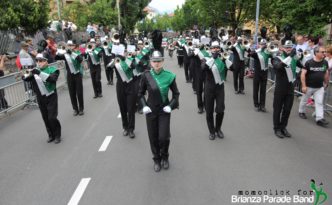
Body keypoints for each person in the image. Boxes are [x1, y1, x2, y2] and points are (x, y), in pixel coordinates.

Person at [138, 50, 180, 172]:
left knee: (163, 137)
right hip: (150, 110)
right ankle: (156, 159)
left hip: (164, 110)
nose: (156, 64)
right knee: (153, 136)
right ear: (151, 62)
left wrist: (171, 106)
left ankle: (165, 157)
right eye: (154, 61)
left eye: (159, 61)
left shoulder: (169, 76)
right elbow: (140, 94)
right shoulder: (146, 76)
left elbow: (176, 94)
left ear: (162, 62)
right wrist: (144, 106)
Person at [22, 53, 62, 143]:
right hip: (40, 97)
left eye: (41, 61)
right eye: (37, 61)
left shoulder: (53, 70)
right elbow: (26, 78)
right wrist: (24, 74)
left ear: (46, 61)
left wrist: (39, 73)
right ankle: (51, 135)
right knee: (45, 117)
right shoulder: (35, 71)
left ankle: (57, 135)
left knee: (52, 117)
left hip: (51, 96)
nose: (38, 63)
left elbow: (52, 79)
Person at [272, 40, 304, 138]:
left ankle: (283, 127)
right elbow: (278, 67)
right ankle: (276, 128)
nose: (289, 49)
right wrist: (290, 56)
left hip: (290, 87)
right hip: (280, 88)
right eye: (287, 47)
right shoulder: (277, 58)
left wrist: (302, 56)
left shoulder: (294, 58)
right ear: (282, 48)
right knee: (277, 109)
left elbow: (303, 66)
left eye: (290, 47)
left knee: (287, 109)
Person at [201, 41, 228, 140]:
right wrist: (213, 58)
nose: (215, 49)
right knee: (209, 110)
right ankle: (211, 131)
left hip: (220, 88)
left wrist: (226, 60)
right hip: (209, 88)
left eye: (217, 47)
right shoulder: (206, 59)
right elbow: (203, 68)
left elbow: (232, 68)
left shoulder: (223, 59)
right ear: (210, 49)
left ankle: (218, 129)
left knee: (220, 109)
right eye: (213, 48)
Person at [298, 46, 329, 127]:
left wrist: (326, 82)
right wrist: (304, 86)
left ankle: (319, 119)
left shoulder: (325, 62)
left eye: (325, 51)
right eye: (322, 52)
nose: (324, 53)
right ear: (316, 53)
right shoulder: (309, 62)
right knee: (304, 100)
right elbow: (303, 74)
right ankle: (301, 111)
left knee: (319, 102)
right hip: (309, 86)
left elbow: (326, 73)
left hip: (319, 87)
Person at [55, 40, 84, 116]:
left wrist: (72, 53)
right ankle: (75, 109)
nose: (70, 46)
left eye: (71, 45)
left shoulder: (77, 53)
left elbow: (80, 59)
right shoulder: (65, 55)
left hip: (77, 74)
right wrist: (58, 50)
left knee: (79, 92)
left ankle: (81, 108)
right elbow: (57, 57)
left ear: (74, 46)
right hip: (70, 76)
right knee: (72, 93)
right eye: (69, 45)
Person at [248, 39, 273, 112]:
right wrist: (258, 49)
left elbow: (273, 56)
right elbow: (250, 54)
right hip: (257, 73)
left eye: (264, 44)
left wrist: (270, 50)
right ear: (259, 45)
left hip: (264, 73)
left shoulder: (267, 52)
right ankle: (256, 104)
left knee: (263, 90)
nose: (263, 45)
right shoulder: (256, 52)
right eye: (261, 44)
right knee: (256, 89)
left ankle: (262, 105)